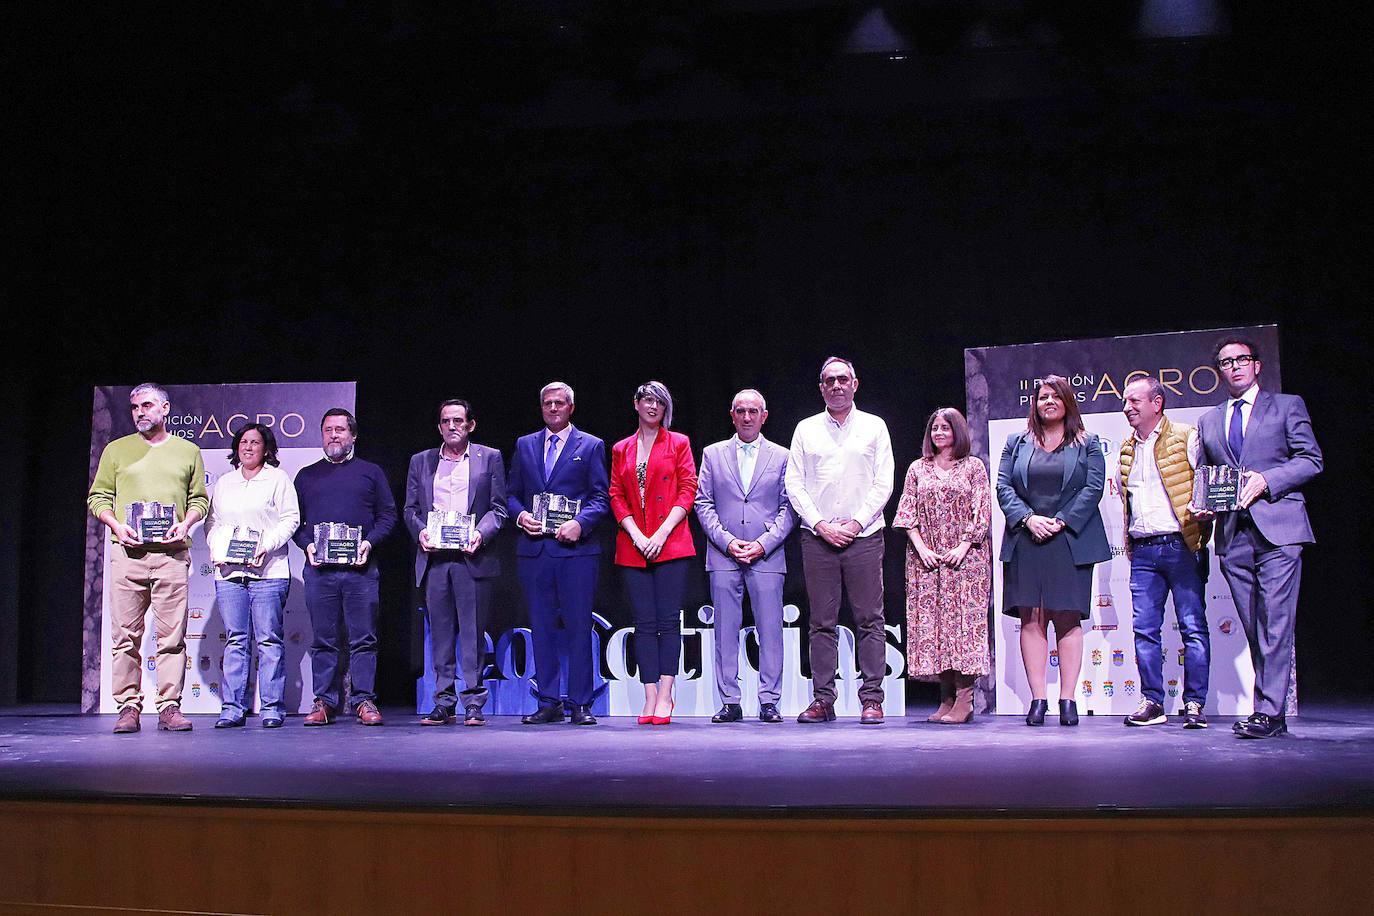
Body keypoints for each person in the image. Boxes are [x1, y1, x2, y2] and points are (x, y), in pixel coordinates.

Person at [1195, 337, 1321, 739]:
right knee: (1255, 627)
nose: (1235, 367)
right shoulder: (1209, 420)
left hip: (1280, 529)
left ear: (1256, 365)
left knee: (1275, 623)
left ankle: (1267, 711)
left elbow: (1310, 459)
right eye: (1226, 362)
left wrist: (1268, 480)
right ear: (1219, 371)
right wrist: (1204, 503)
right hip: (1233, 537)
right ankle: (1272, 713)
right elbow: (1206, 473)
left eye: (1242, 359)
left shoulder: (1287, 406)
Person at [88, 383, 209, 734]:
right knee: (125, 637)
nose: (140, 412)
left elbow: (199, 500)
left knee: (172, 637)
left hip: (172, 555)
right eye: (135, 408)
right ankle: (128, 706)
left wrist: (185, 523)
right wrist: (116, 525)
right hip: (128, 555)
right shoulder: (116, 450)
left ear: (165, 408)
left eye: (147, 405)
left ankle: (169, 707)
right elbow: (98, 497)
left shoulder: (188, 451)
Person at [785, 357, 895, 725]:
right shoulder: (805, 429)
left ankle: (872, 699)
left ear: (855, 384)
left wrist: (856, 522)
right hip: (818, 538)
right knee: (821, 622)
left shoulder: (874, 427)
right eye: (829, 380)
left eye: (842, 379)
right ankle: (823, 700)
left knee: (869, 620)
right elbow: (795, 484)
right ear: (820, 387)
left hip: (864, 536)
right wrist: (820, 524)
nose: (836, 385)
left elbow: (884, 482)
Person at [996, 375, 1110, 727]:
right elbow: (1003, 486)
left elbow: (1092, 489)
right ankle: (1038, 700)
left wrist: (1059, 521)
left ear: (1066, 402)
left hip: (1069, 539)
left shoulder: (1088, 443)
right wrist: (1028, 519)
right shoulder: (1016, 442)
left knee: (1067, 617)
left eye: (1054, 396)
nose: (1047, 401)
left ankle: (1067, 699)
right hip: (1026, 539)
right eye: (1042, 396)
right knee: (1032, 617)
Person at [507, 381, 610, 726]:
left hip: (576, 552)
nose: (553, 408)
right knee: (541, 628)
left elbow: (601, 497)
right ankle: (548, 701)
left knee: (580, 627)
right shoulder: (524, 445)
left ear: (571, 408)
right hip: (535, 551)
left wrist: (580, 523)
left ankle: (581, 703)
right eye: (547, 403)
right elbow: (511, 494)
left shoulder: (591, 445)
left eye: (559, 403)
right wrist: (521, 515)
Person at [404, 399, 507, 726]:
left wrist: (479, 534)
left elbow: (499, 509)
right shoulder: (420, 462)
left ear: (470, 425)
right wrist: (420, 533)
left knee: (472, 634)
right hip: (435, 559)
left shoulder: (489, 458)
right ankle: (444, 702)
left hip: (471, 557)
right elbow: (410, 511)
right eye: (446, 421)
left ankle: (474, 702)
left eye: (458, 421)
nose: (452, 426)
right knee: (441, 634)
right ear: (439, 426)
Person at [695, 389, 796, 724]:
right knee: (725, 630)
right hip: (724, 556)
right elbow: (703, 503)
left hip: (767, 555)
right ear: (732, 414)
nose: (748, 417)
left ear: (764, 416)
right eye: (741, 410)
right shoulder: (713, 454)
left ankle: (769, 701)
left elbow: (789, 507)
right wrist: (727, 542)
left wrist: (763, 544)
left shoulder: (782, 456)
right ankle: (730, 701)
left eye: (754, 411)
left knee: (770, 631)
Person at [292, 408, 397, 726]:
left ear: (353, 436)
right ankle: (324, 701)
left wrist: (369, 542)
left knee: (363, 638)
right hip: (320, 571)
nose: (334, 435)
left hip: (361, 571)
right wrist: (307, 544)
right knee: (323, 640)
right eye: (328, 430)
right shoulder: (306, 476)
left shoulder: (371, 472)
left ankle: (364, 700)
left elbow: (388, 516)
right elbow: (294, 523)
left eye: (340, 429)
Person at [1118, 377, 1211, 729]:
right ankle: (1153, 702)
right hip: (1143, 552)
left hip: (1181, 547)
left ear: (1157, 403)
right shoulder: (1127, 449)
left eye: (1134, 401)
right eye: (1126, 402)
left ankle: (1194, 704)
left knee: (1192, 627)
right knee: (1144, 629)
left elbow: (1204, 482)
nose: (1127, 407)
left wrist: (1204, 519)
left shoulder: (1186, 436)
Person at [892, 408, 991, 725]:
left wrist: (964, 544)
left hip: (966, 560)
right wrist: (922, 549)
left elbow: (982, 509)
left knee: (964, 628)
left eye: (945, 427)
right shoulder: (918, 469)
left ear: (957, 431)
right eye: (934, 427)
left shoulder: (973, 467)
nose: (938, 432)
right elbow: (906, 513)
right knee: (937, 628)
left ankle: (965, 700)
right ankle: (946, 698)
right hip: (928, 560)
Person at [610, 382, 698, 725]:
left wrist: (661, 533)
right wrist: (635, 533)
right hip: (633, 546)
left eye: (659, 402)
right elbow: (616, 495)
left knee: (666, 621)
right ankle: (648, 697)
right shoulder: (621, 448)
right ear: (636, 404)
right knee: (643, 623)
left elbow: (688, 488)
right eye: (647, 400)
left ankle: (666, 694)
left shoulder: (679, 443)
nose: (652, 407)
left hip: (671, 543)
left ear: (665, 409)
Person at [204, 422, 300, 728]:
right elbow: (213, 521)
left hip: (268, 571)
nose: (248, 447)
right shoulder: (225, 483)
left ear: (266, 449)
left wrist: (266, 546)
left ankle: (272, 707)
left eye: (255, 442)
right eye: (243, 442)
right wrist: (215, 547)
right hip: (229, 573)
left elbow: (290, 519)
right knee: (236, 640)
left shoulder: (278, 479)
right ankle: (233, 707)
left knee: (269, 640)